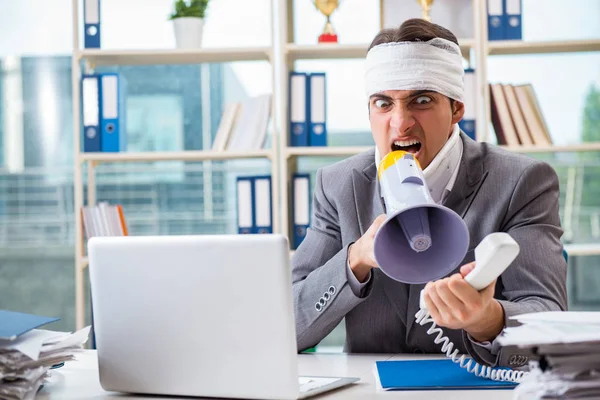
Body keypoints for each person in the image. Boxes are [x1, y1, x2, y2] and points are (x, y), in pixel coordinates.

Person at [290, 18, 567, 369]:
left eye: (421, 100)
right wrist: (355, 258)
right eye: (383, 104)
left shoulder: (522, 182)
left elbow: (550, 320)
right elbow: (286, 327)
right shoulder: (339, 185)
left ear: (456, 110)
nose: (401, 122)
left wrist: (488, 320)